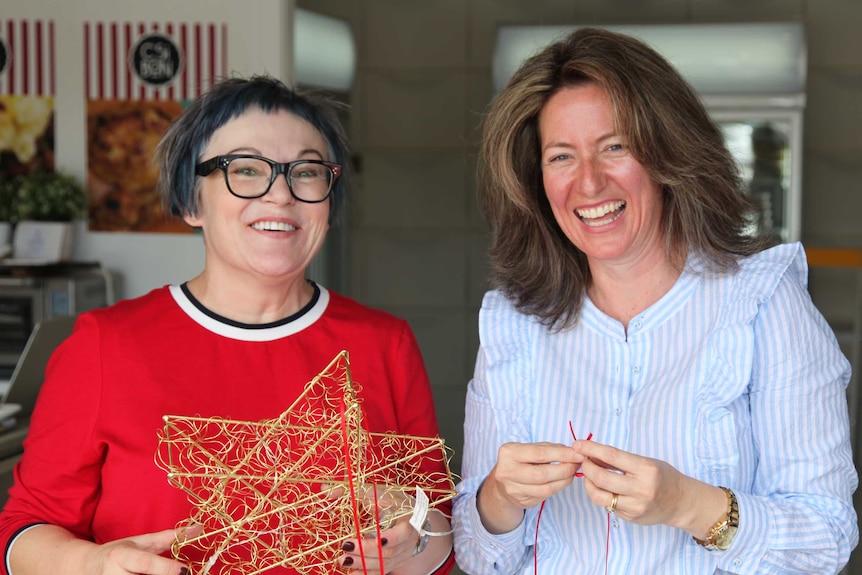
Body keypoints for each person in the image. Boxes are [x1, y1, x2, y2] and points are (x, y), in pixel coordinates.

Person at [0, 76, 455, 575]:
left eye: (305, 171)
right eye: (245, 168)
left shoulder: (386, 343)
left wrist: (408, 545)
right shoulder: (105, 345)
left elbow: (439, 533)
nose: (280, 194)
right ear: (190, 203)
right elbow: (22, 531)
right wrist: (92, 563)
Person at [452, 27, 858, 574]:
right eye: (561, 157)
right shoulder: (513, 323)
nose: (589, 184)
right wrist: (499, 497)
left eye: (614, 147)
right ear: (535, 180)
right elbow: (478, 558)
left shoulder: (763, 304)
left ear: (669, 152)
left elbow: (826, 543)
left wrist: (686, 504)